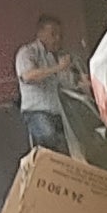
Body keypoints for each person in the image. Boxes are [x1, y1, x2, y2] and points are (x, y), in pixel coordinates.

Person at [12, 11, 73, 158]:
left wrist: (79, 80)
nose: (57, 39)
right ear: (40, 33)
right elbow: (29, 76)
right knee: (48, 134)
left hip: (57, 111)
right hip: (36, 110)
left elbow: (65, 82)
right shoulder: (27, 52)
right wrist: (57, 68)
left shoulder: (54, 57)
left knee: (74, 137)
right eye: (53, 34)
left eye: (59, 35)